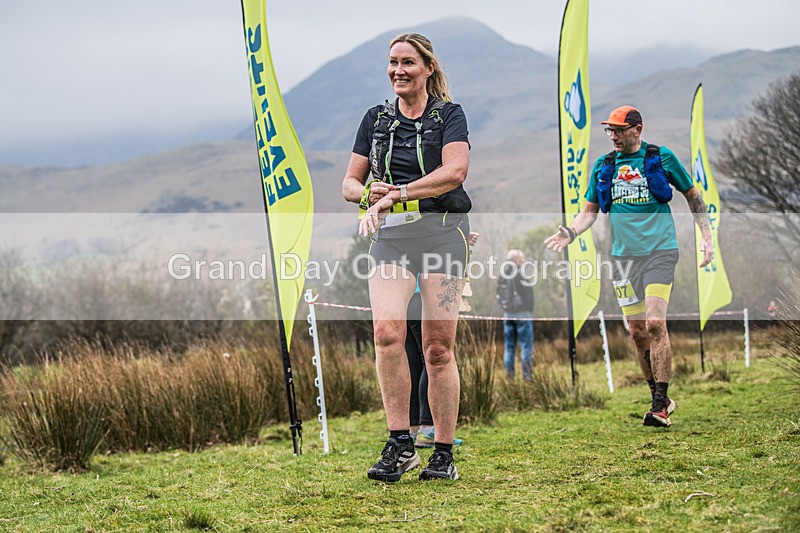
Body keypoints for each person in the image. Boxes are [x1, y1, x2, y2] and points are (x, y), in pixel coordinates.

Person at [342, 33, 471, 481]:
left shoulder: (448, 116)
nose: (399, 70)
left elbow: (454, 172)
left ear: (428, 69)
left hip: (443, 236)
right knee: (387, 334)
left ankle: (442, 452)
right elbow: (349, 186)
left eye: (408, 63)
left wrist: (396, 193)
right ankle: (400, 443)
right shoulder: (375, 119)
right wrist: (369, 196)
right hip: (392, 239)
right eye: (393, 62)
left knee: (437, 349)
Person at [545, 105, 714, 428]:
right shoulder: (604, 166)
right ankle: (660, 397)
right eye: (610, 131)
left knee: (653, 323)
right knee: (637, 334)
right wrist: (571, 232)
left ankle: (658, 406)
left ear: (638, 129)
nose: (614, 136)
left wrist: (706, 237)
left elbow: (693, 196)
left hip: (660, 252)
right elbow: (589, 211)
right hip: (622, 258)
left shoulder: (661, 157)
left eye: (619, 130)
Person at [409, 231, 477, 448]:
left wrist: (463, 237)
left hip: (405, 294)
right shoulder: (423, 229)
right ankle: (428, 428)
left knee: (414, 362)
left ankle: (412, 430)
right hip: (423, 293)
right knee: (433, 360)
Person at [497, 249, 535, 381]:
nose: (523, 261)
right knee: (526, 347)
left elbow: (499, 294)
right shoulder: (519, 273)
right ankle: (528, 377)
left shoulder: (503, 274)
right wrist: (529, 309)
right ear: (516, 260)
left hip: (508, 314)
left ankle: (509, 378)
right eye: (522, 258)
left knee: (509, 347)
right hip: (522, 314)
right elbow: (528, 294)